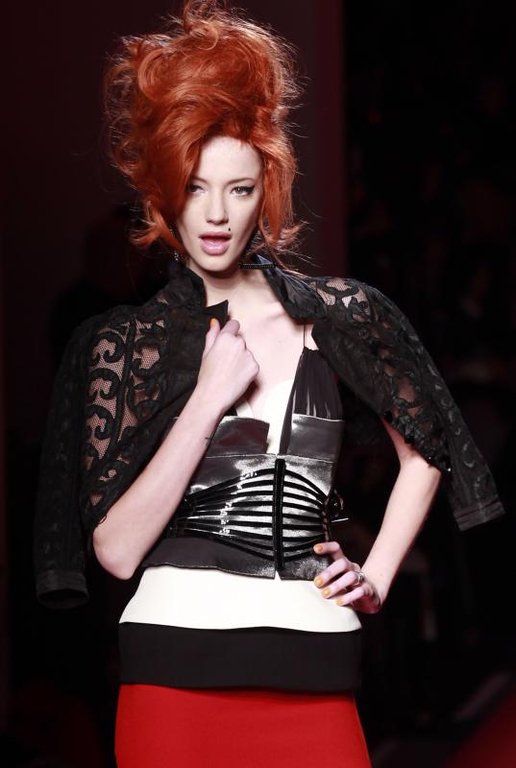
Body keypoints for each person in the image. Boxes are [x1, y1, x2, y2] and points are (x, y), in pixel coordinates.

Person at [33, 2, 504, 766]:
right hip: (172, 676)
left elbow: (428, 449)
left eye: (239, 189)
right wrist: (209, 396)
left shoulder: (343, 315)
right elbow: (116, 551)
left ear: (268, 190)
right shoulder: (127, 344)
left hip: (315, 663)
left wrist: (376, 575)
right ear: (164, 193)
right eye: (195, 188)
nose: (216, 215)